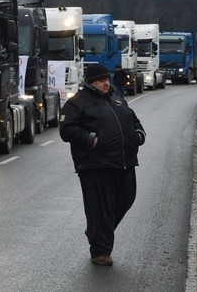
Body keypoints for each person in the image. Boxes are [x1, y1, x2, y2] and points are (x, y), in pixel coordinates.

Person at [59, 63, 146, 267]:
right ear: (90, 83)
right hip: (95, 164)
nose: (106, 83)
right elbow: (67, 130)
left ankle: (98, 232)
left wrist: (139, 135)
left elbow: (133, 121)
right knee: (101, 208)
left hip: (125, 162)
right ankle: (100, 251)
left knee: (127, 198)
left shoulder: (116, 98)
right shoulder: (77, 103)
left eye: (107, 79)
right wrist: (92, 140)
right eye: (101, 80)